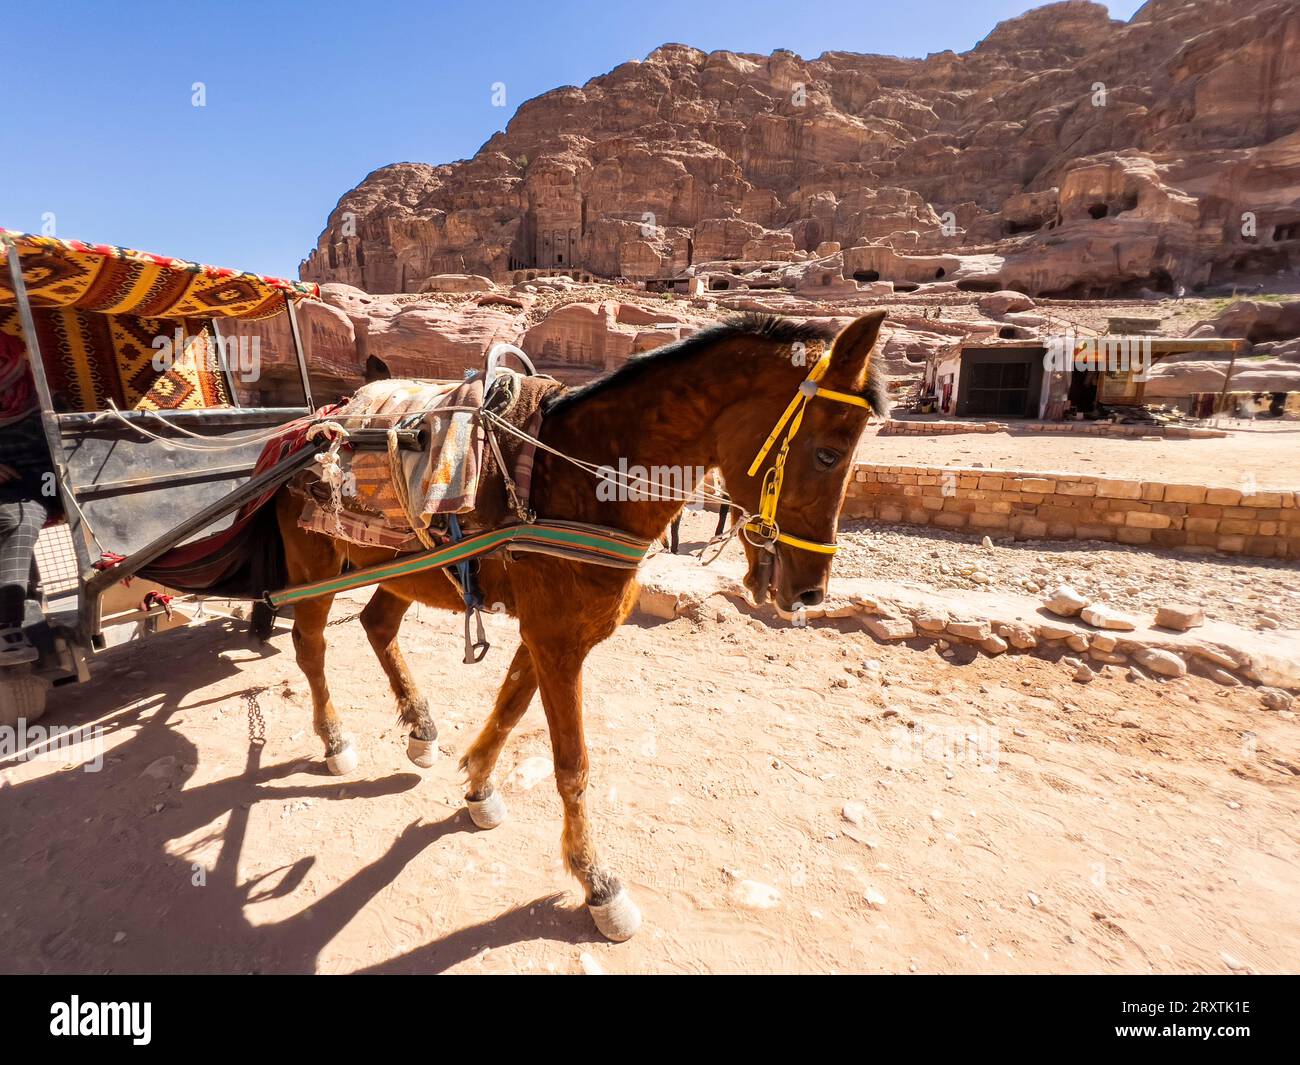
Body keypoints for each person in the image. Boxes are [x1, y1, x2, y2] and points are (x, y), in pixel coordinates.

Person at [0, 332, 58, 665]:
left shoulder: (45, 400)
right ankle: (12, 625)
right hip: (5, 492)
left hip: (43, 484)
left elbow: (70, 444)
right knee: (14, 519)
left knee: (22, 517)